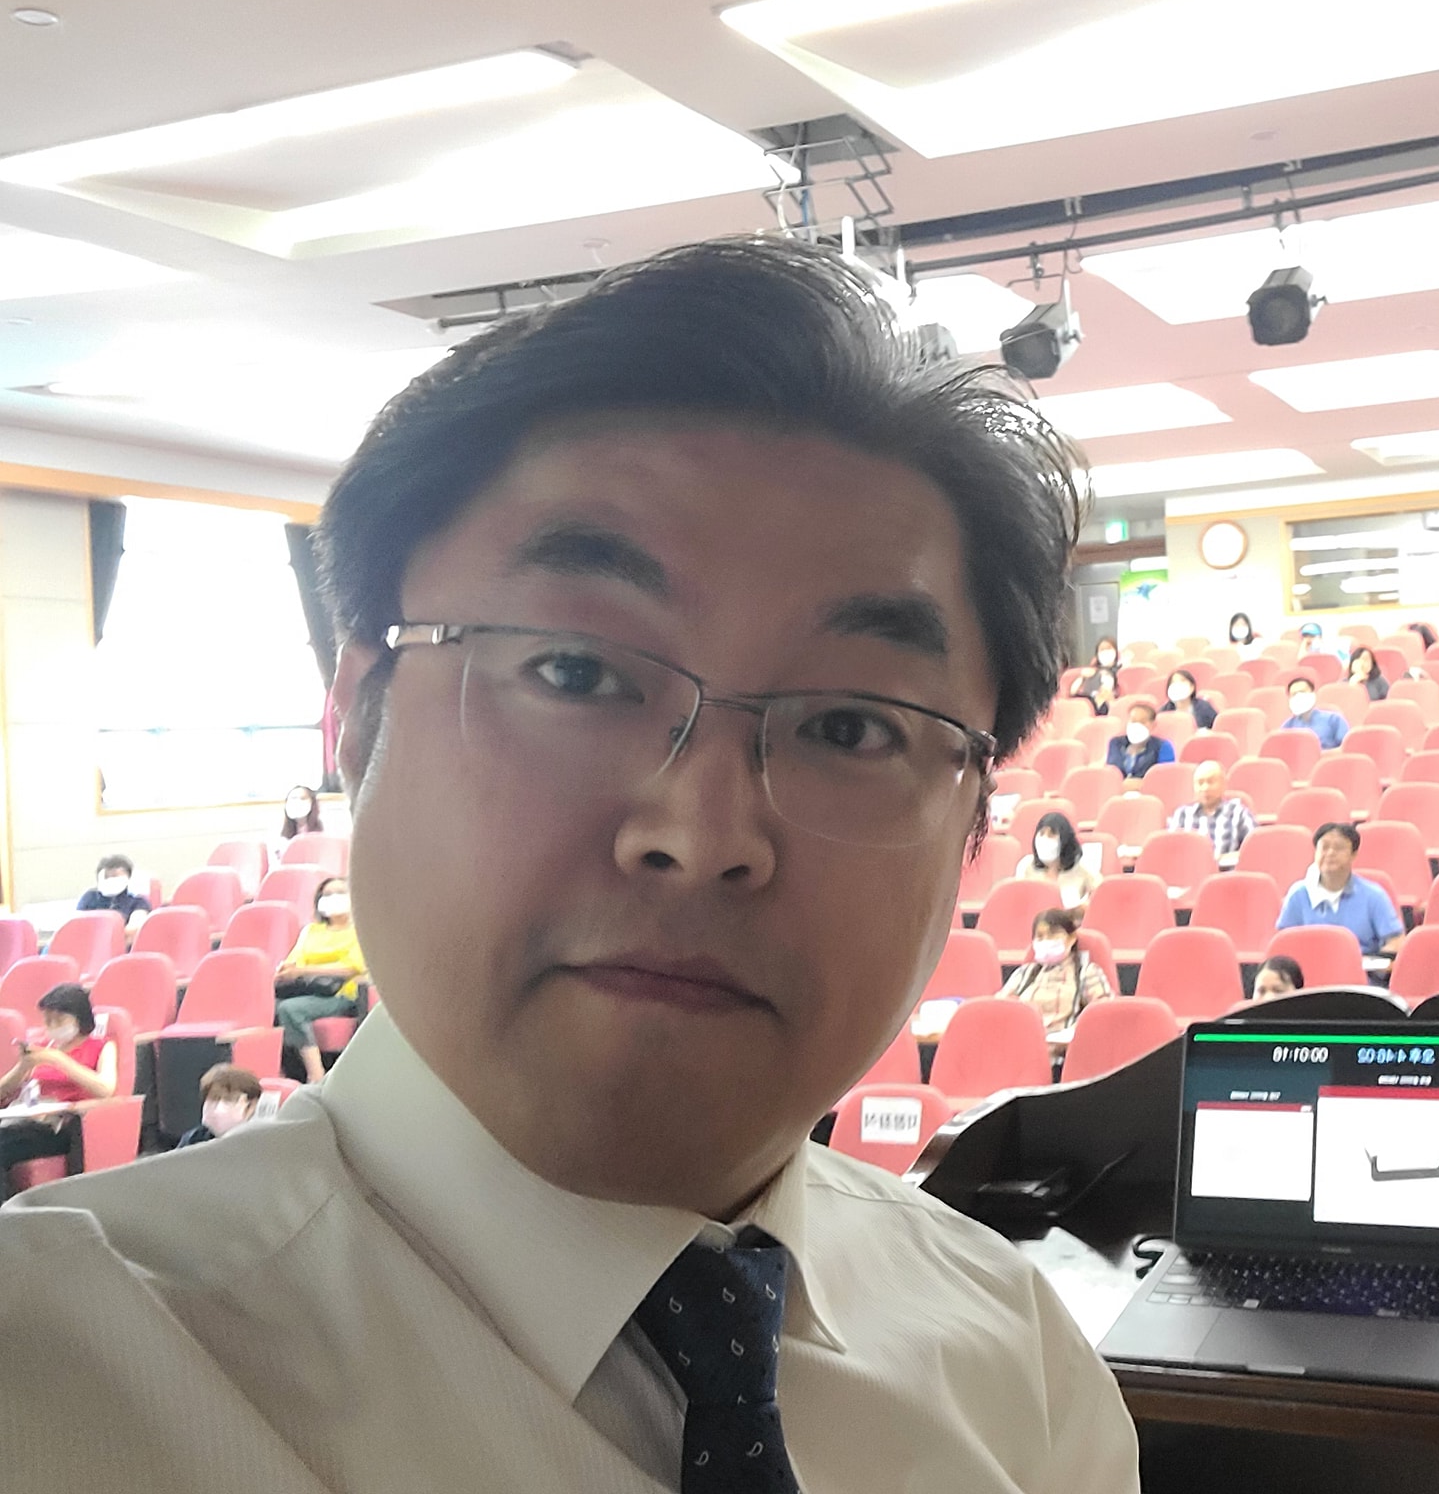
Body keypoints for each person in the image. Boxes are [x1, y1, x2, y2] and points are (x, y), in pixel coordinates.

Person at [0, 236, 1141, 1490]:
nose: (702, 837)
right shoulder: (50, 1375)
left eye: (850, 728)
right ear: (358, 716)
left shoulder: (1015, 1366)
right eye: (577, 671)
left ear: (976, 816)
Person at [0, 983, 117, 1184]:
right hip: (28, 1121)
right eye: (48, 1020)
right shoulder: (43, 1047)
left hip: (63, 1127)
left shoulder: (101, 1046)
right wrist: (23, 1066)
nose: (52, 1025)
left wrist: (58, 1059)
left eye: (59, 1019)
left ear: (79, 1018)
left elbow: (105, 1089)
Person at [273, 876, 370, 1084]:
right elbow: (295, 961)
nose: (333, 898)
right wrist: (286, 970)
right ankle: (283, 1075)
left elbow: (352, 967)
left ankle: (316, 1074)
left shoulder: (361, 929)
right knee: (270, 1008)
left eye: (340, 893)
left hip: (343, 994)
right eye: (327, 895)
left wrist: (303, 970)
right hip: (309, 990)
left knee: (290, 1009)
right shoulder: (310, 931)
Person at [1276, 822, 1403, 957]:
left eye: (1338, 848)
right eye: (1324, 847)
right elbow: (1284, 942)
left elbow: (1396, 941)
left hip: (1360, 966)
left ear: (1353, 855)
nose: (1330, 853)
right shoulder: (1298, 894)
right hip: (1309, 965)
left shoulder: (1374, 896)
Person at [997, 908, 1112, 1033]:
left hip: (1066, 1041)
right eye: (1040, 937)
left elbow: (1102, 1011)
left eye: (1053, 935)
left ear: (1071, 938)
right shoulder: (1024, 973)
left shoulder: (1086, 973)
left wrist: (1074, 1033)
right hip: (1025, 1038)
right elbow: (1000, 1007)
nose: (1046, 940)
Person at [1167, 760, 1256, 862]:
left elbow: (1254, 849)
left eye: (1210, 782)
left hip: (1226, 870)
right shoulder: (1182, 815)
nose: (1205, 788)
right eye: (1200, 783)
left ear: (1223, 784)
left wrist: (1225, 858)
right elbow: (1171, 852)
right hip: (1190, 869)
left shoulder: (1239, 813)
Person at [1015, 810, 1100, 910]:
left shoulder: (1084, 868)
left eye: (1052, 834)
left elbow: (1099, 897)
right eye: (1041, 833)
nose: (1045, 840)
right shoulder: (1026, 866)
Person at [174, 1064, 264, 1149]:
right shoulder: (194, 1138)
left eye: (228, 1099)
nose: (219, 1107)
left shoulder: (261, 1140)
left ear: (251, 1105)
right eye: (214, 1099)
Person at [1105, 702, 1175, 777]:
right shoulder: (1115, 743)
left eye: (1142, 722)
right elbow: (1111, 773)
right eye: (1133, 721)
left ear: (1153, 725)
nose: (1136, 725)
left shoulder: (1162, 746)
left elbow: (1165, 777)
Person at [1279, 675, 1348, 751]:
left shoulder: (1334, 719)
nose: (1298, 696)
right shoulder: (1288, 725)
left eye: (1302, 692)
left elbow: (1346, 748)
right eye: (1294, 694)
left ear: (1313, 694)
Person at [75, 853, 150, 921]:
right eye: (107, 876)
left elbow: (135, 925)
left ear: (128, 877)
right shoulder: (89, 897)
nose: (112, 880)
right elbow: (78, 922)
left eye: (116, 876)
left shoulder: (137, 901)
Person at [1070, 638, 1120, 716]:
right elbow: (1072, 692)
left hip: (1102, 705)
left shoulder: (1118, 670)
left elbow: (1106, 692)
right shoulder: (1092, 671)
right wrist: (1082, 676)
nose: (1105, 652)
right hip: (1087, 701)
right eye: (1102, 649)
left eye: (1108, 648)